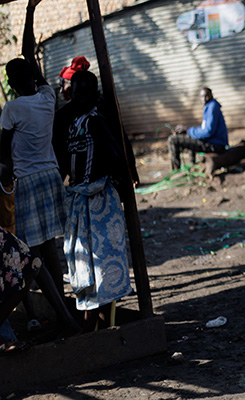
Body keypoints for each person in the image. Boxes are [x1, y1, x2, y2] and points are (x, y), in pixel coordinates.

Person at [0, 0, 81, 337]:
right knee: (49, 249)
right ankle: (60, 309)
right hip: (51, 177)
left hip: (28, 182)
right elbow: (30, 57)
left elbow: (3, 153)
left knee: (27, 255)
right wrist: (31, 11)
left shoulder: (12, 109)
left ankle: (44, 315)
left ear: (10, 83)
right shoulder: (48, 96)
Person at [61, 70, 133, 331]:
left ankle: (99, 329)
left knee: (100, 267)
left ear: (93, 96)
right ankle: (94, 329)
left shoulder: (95, 121)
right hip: (82, 203)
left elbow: (117, 154)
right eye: (77, 93)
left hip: (100, 202)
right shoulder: (72, 122)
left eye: (84, 93)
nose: (80, 98)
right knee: (88, 266)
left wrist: (124, 182)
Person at [168, 87, 228, 170]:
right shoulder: (209, 106)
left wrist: (188, 130)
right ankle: (192, 165)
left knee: (173, 139)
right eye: (202, 96)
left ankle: (175, 170)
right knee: (190, 137)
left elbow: (208, 131)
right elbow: (204, 129)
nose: (204, 99)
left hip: (215, 145)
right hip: (215, 142)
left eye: (206, 96)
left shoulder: (212, 107)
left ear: (211, 95)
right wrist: (188, 131)